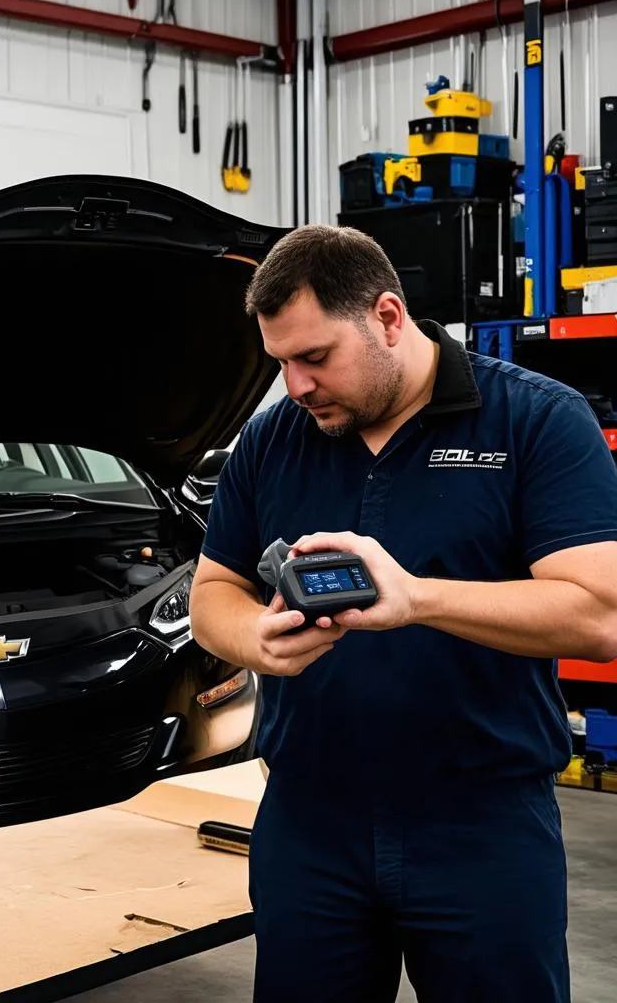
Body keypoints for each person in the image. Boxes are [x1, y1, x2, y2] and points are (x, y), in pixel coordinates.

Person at [189, 224, 617, 1003]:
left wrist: (416, 598)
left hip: (480, 824)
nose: (297, 386)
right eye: (280, 362)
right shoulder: (271, 440)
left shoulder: (536, 422)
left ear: (388, 317)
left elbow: (599, 617)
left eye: (315, 357)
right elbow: (211, 594)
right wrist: (253, 638)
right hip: (309, 822)